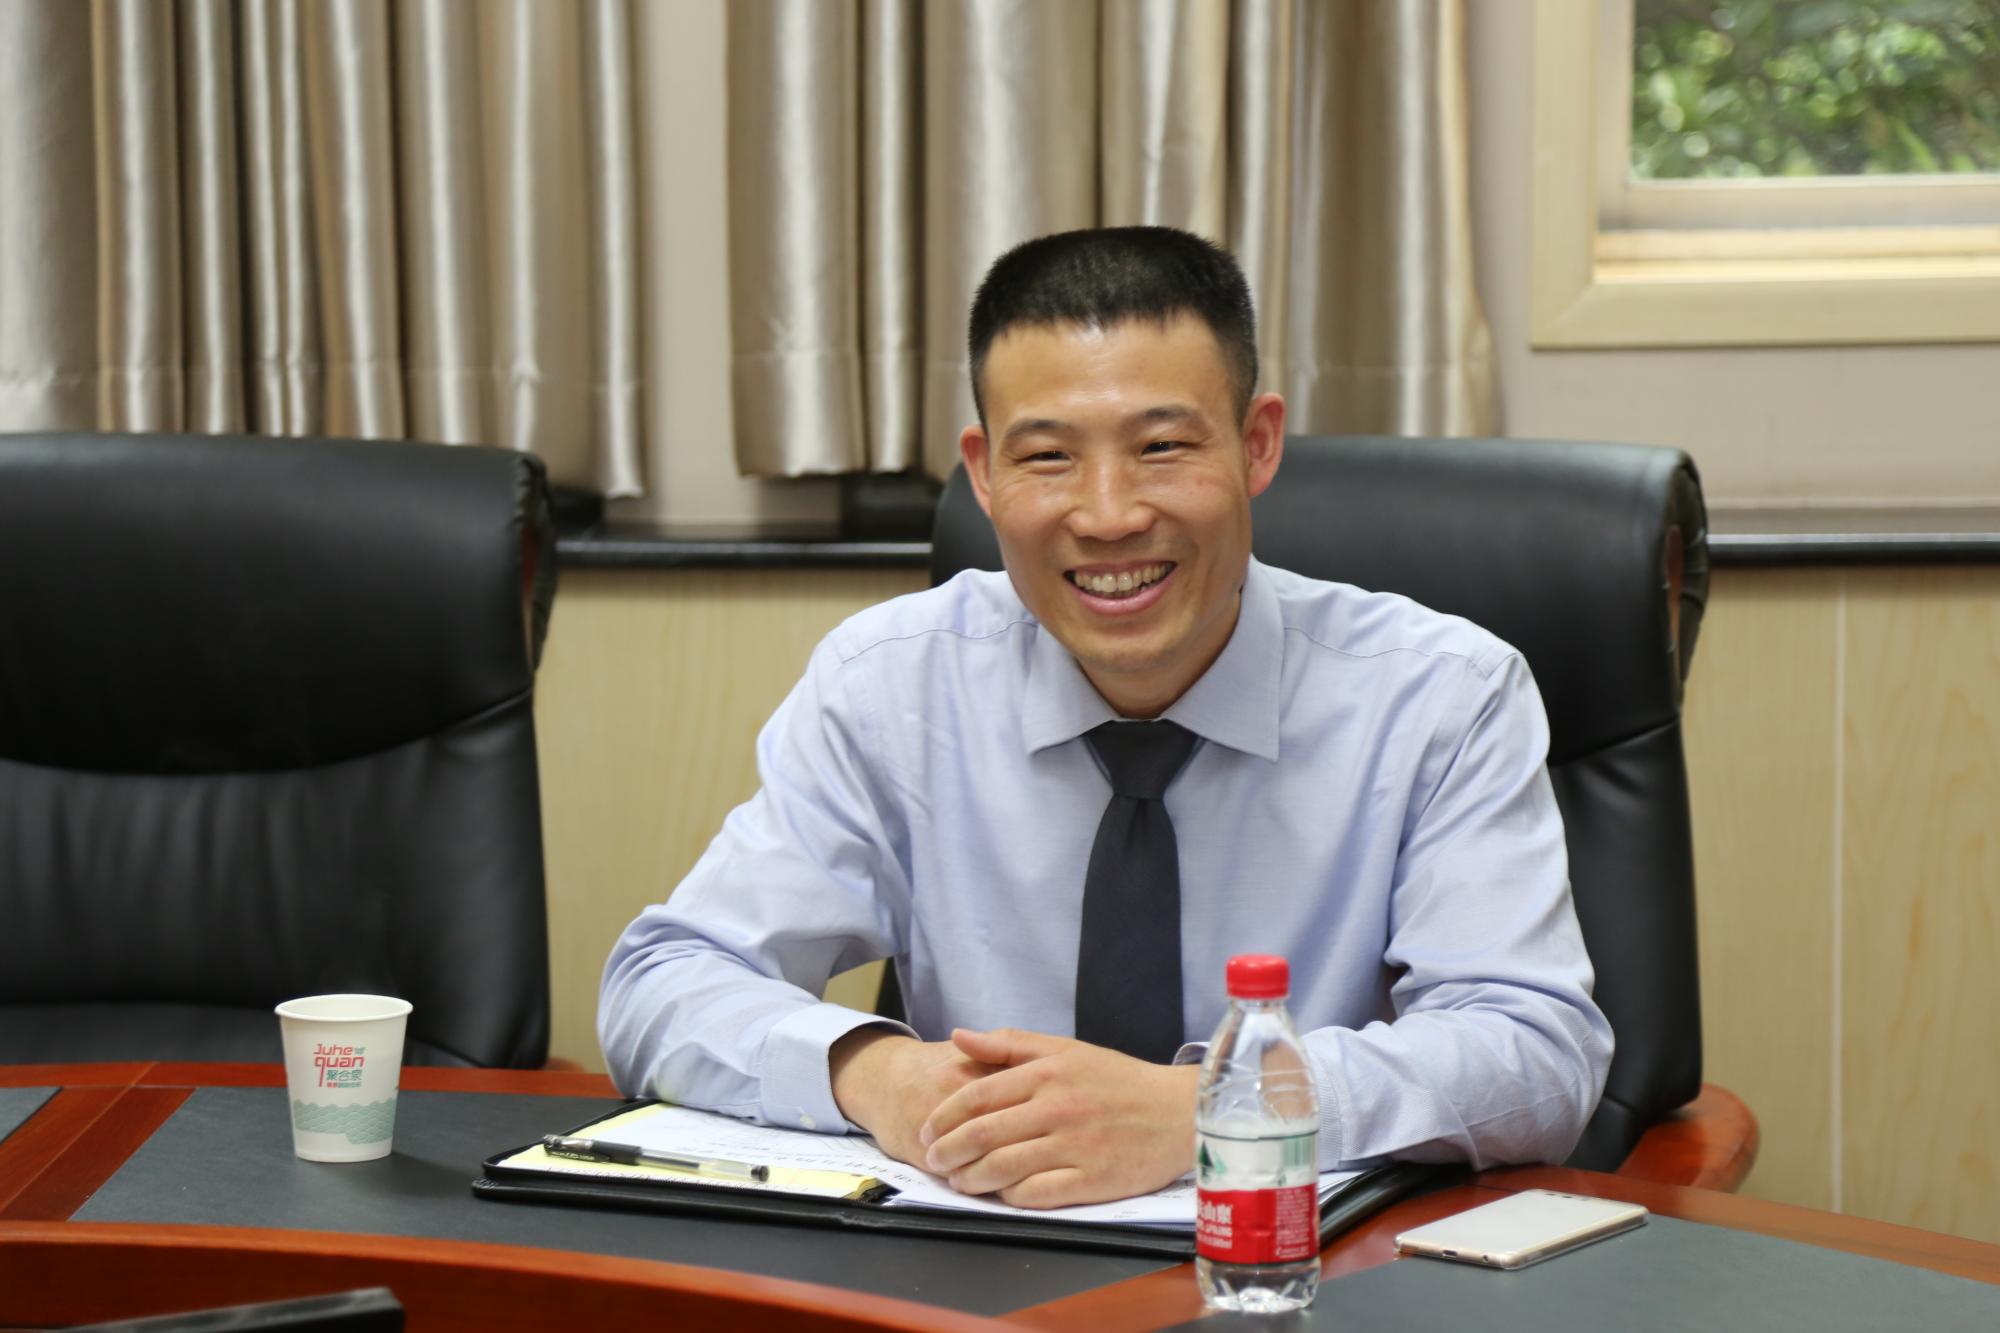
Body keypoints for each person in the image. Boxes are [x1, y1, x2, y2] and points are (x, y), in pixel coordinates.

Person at [599, 226, 1612, 1210]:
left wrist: (1207, 1108)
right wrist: (878, 1075)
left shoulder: (1441, 696)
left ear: (1257, 445)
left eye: (1161, 447)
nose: (1108, 514)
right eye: (1047, 457)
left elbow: (1535, 1052)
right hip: (972, 1267)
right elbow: (662, 982)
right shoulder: (891, 684)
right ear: (984, 473)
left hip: (1301, 1273)